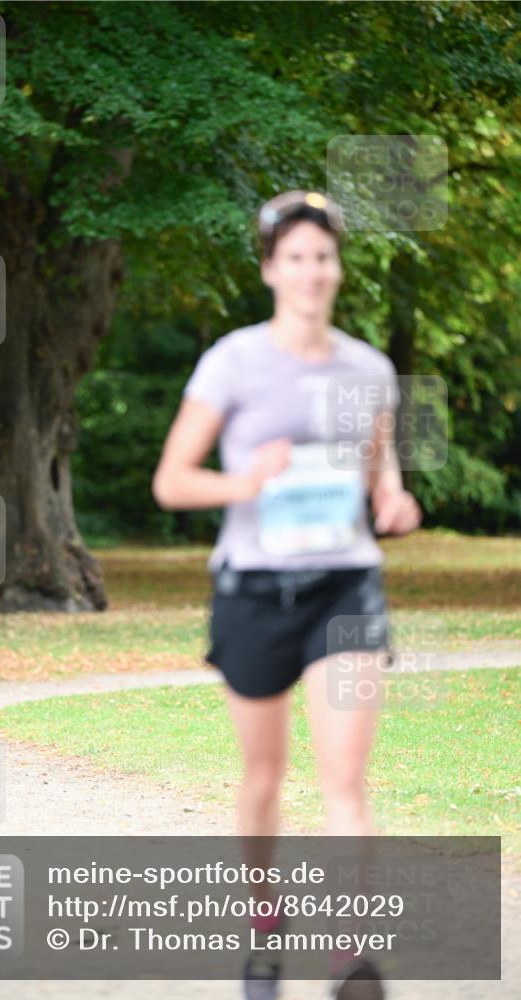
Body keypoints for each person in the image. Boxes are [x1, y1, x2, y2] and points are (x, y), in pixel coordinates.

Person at [152, 190, 422, 1000]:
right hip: (254, 587)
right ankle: (263, 930)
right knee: (263, 774)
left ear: (337, 268)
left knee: (344, 774)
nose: (311, 271)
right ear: (271, 269)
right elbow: (171, 482)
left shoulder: (367, 370)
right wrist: (248, 478)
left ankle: (348, 957)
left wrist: (393, 504)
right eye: (295, 258)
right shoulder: (233, 362)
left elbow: (382, 480)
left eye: (323, 257)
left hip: (344, 584)